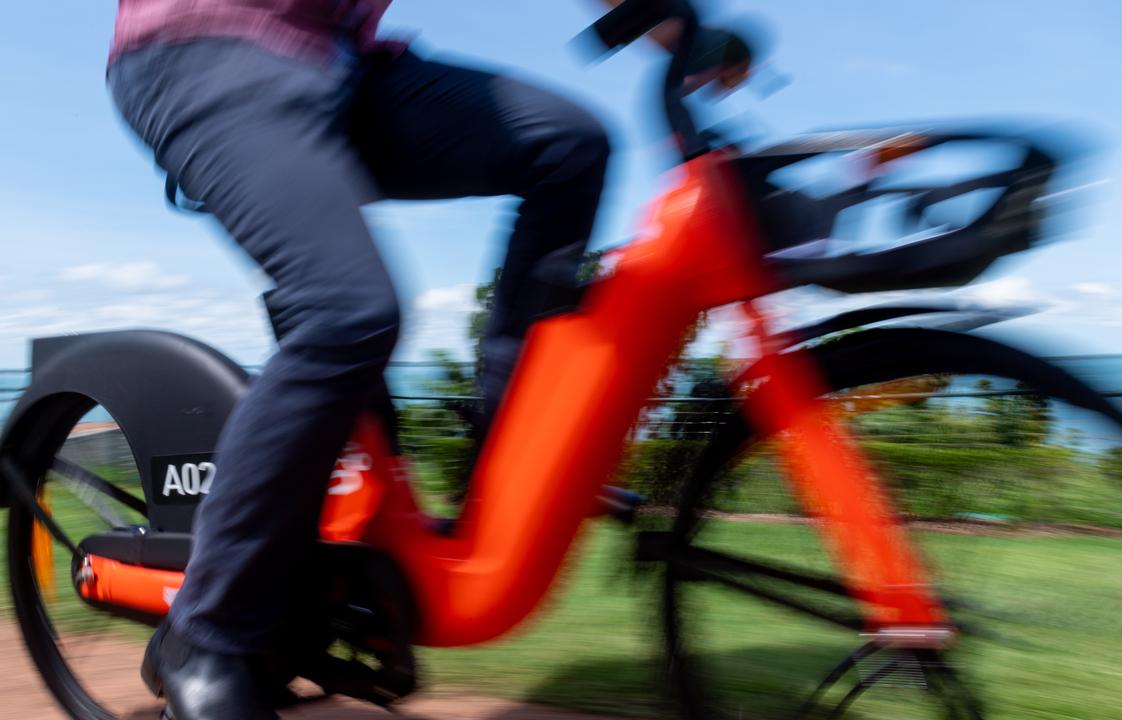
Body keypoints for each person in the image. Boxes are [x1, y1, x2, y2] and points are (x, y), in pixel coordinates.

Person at [109, 1, 753, 718]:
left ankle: (513, 448)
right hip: (199, 47)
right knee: (346, 310)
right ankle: (205, 632)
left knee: (568, 143)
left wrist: (664, 19)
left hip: (346, 64)